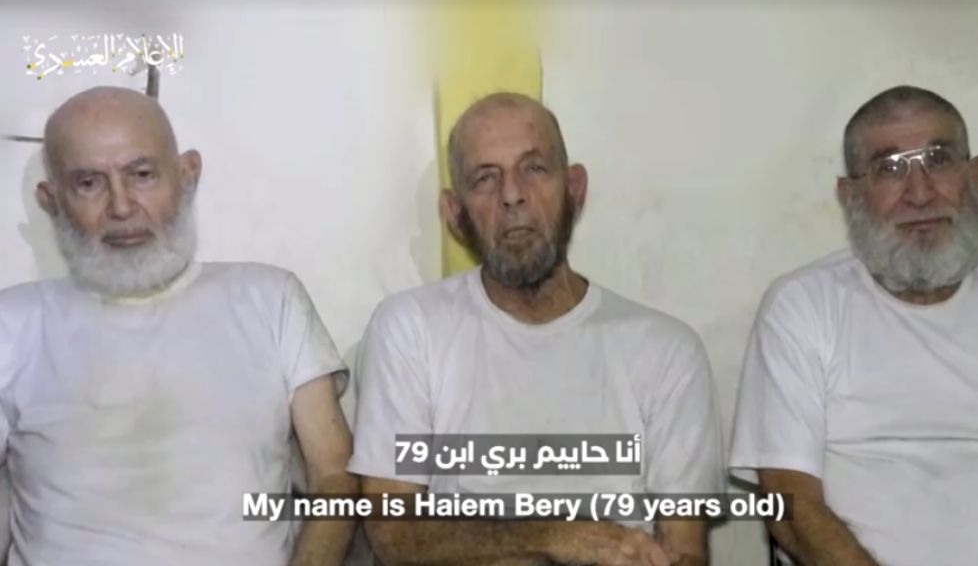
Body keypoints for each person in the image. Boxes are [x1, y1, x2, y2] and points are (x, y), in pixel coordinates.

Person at [349, 92, 723, 565]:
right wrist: (557, 536)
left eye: (534, 168)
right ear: (454, 213)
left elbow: (684, 551)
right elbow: (393, 534)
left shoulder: (666, 351)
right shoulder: (410, 329)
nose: (512, 194)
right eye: (485, 178)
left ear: (575, 189)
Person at [0, 86, 356, 565]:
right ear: (52, 200)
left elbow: (334, 475)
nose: (121, 206)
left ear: (188, 174)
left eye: (142, 175)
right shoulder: (13, 322)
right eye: (88, 183)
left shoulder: (269, 297)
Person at [730, 85, 978, 565]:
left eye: (938, 160)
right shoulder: (804, 306)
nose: (920, 193)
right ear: (850, 195)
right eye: (889, 168)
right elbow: (790, 506)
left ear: (976, 175)